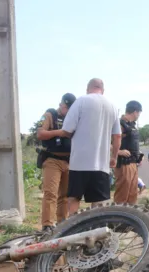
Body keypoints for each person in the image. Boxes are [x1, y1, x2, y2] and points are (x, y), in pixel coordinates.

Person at [48, 78, 122, 214]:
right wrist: (114, 157)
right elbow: (117, 136)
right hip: (101, 165)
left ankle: (73, 228)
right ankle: (97, 230)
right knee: (98, 203)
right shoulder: (112, 106)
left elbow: (66, 130)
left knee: (74, 199)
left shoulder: (81, 101)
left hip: (79, 163)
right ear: (103, 90)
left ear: (88, 89)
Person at [36, 93, 76, 233]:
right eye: (67, 108)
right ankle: (47, 224)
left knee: (65, 195)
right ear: (61, 105)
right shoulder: (50, 114)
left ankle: (62, 224)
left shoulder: (73, 118)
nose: (69, 112)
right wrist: (59, 132)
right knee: (51, 193)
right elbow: (40, 134)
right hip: (52, 159)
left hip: (69, 161)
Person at [113, 100, 142, 204]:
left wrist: (138, 154)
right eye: (139, 113)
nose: (139, 115)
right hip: (124, 164)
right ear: (135, 112)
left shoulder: (132, 125)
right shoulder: (119, 124)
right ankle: (117, 219)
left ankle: (129, 219)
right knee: (122, 195)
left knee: (132, 195)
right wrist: (119, 152)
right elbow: (105, 142)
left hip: (133, 163)